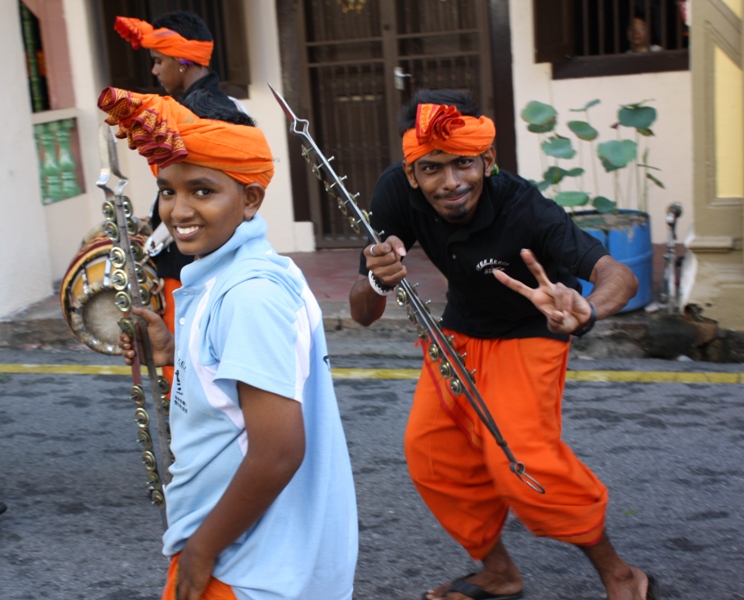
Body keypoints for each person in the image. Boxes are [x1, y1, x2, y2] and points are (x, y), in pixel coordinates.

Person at [349, 90, 659, 600]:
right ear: (411, 173)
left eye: (464, 164)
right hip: (458, 332)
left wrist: (590, 309)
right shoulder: (393, 192)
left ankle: (620, 573)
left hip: (530, 332)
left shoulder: (525, 207)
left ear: (487, 160)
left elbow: (615, 273)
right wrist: (379, 281)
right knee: (433, 457)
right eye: (431, 168)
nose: (450, 183)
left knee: (523, 463)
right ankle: (498, 572)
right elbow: (363, 314)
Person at [99, 87, 358, 600]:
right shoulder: (231, 273)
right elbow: (236, 393)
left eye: (202, 190)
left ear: (251, 198)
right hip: (245, 553)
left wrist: (202, 550)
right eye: (168, 190)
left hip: (245, 567)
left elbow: (278, 452)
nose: (178, 210)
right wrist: (176, 355)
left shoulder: (249, 294)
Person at [114, 11, 252, 389]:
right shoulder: (230, 106)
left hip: (191, 259)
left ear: (183, 59)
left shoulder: (195, 115)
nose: (155, 72)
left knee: (187, 367)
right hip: (205, 253)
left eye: (159, 61)